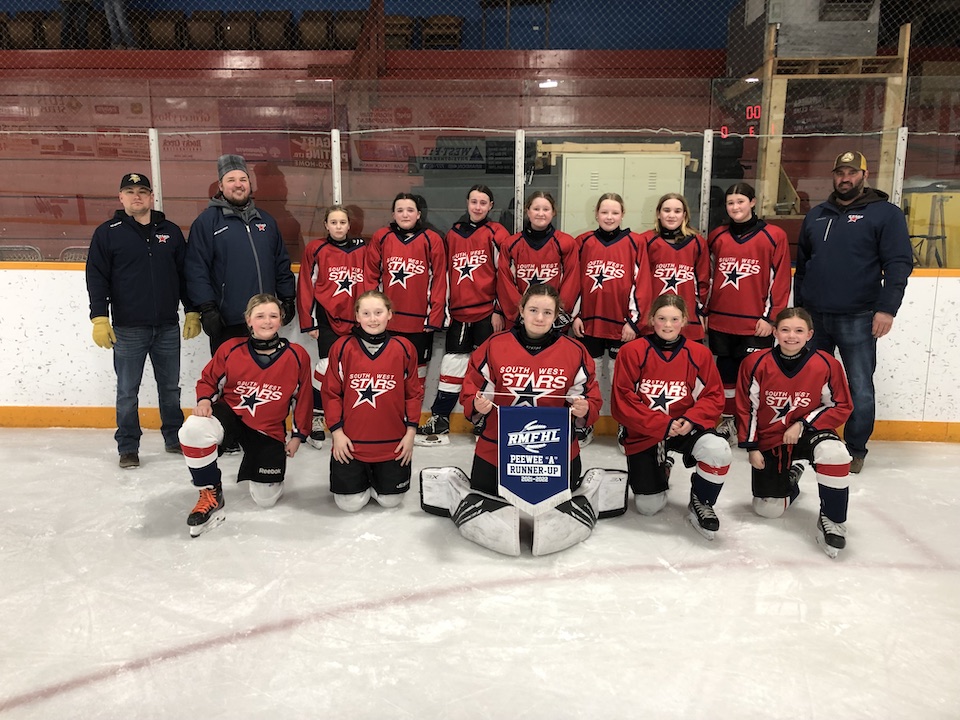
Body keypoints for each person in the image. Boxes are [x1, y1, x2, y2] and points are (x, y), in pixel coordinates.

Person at [419, 284, 609, 557]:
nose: (540, 318)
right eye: (533, 310)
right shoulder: (494, 345)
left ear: (557, 315)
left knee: (556, 496)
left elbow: (591, 399)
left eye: (547, 312)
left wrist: (584, 410)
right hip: (497, 448)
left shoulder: (575, 351)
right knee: (489, 491)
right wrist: (478, 405)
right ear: (521, 310)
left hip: (556, 450)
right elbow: (471, 390)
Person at [794, 151, 913, 474]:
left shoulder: (885, 214)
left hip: (859, 316)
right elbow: (803, 266)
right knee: (810, 382)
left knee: (859, 385)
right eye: (839, 173)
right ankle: (813, 437)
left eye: (851, 172)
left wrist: (887, 308)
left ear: (864, 174)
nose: (844, 178)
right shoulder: (817, 215)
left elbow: (899, 264)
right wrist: (800, 312)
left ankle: (855, 448)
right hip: (815, 317)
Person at [85, 172, 200, 469]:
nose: (136, 196)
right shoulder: (107, 232)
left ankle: (174, 437)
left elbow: (184, 276)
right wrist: (99, 317)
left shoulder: (171, 232)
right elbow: (97, 278)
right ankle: (128, 446)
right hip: (128, 328)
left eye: (142, 191)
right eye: (129, 191)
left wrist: (191, 309)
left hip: (166, 326)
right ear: (120, 198)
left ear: (151, 197)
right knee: (127, 391)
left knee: (170, 388)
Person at [178, 294, 312, 537]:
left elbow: (303, 399)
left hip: (267, 428)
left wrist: (298, 436)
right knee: (193, 429)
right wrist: (205, 399)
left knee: (265, 500)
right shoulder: (230, 348)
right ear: (249, 320)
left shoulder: (297, 355)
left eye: (273, 316)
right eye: (260, 316)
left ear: (281, 320)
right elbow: (208, 379)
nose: (267, 321)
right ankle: (210, 492)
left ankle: (262, 469)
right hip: (231, 417)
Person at [610, 294, 731, 539]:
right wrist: (663, 424)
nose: (667, 325)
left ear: (684, 320)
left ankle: (702, 500)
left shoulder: (699, 354)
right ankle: (662, 465)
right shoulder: (632, 351)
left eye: (674, 319)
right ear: (651, 319)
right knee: (648, 507)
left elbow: (713, 396)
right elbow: (623, 400)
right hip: (646, 430)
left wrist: (691, 419)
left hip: (686, 427)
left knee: (718, 449)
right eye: (662, 318)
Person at [736, 308, 853, 558]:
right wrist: (752, 447)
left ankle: (832, 519)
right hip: (771, 437)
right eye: (785, 330)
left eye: (799, 331)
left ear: (810, 334)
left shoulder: (826, 364)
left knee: (835, 453)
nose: (791, 336)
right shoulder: (755, 363)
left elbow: (841, 405)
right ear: (775, 332)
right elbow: (747, 408)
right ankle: (792, 476)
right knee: (767, 509)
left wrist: (803, 423)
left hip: (808, 433)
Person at [416, 185, 510, 446]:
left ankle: (484, 418)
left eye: (483, 203)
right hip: (459, 313)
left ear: (491, 205)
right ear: (467, 203)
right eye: (473, 202)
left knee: (488, 368)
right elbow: (444, 274)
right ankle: (441, 417)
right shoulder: (454, 233)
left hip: (487, 313)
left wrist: (499, 309)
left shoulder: (497, 233)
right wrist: (444, 310)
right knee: (452, 365)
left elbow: (505, 274)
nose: (478, 207)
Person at [185, 154, 297, 355]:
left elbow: (281, 262)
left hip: (264, 320)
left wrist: (288, 297)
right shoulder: (207, 223)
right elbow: (196, 268)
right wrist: (207, 308)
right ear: (221, 186)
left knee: (266, 380)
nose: (238, 185)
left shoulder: (266, 221)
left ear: (249, 184)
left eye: (243, 179)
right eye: (231, 180)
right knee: (231, 380)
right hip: (229, 321)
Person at [707, 182, 791, 446]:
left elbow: (780, 280)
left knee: (756, 378)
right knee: (727, 376)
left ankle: (755, 426)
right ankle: (731, 423)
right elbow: (707, 277)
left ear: (752, 202)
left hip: (756, 324)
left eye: (740, 202)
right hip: (721, 321)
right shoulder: (717, 236)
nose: (735, 207)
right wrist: (705, 311)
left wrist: (771, 318)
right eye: (731, 203)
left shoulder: (773, 235)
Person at [322, 291, 422, 512]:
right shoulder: (342, 348)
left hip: (392, 443)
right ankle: (363, 479)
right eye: (366, 313)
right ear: (357, 316)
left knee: (391, 501)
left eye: (378, 312)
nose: (373, 319)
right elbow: (331, 394)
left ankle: (377, 481)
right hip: (351, 443)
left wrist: (410, 433)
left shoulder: (404, 348)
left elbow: (413, 393)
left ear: (390, 314)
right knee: (348, 504)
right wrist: (337, 433)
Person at [571, 192, 653, 448]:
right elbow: (574, 281)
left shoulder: (635, 242)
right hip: (590, 323)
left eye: (614, 212)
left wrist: (633, 322)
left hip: (622, 327)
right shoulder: (583, 241)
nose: (609, 217)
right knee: (587, 377)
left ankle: (624, 425)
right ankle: (586, 423)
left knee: (621, 379)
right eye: (604, 212)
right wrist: (575, 315)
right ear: (596, 214)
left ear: (622, 214)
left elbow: (643, 284)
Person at [297, 205, 368, 450]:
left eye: (342, 222)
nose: (338, 226)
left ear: (349, 225)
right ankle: (317, 415)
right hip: (327, 319)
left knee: (353, 369)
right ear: (326, 225)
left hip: (357, 320)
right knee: (326, 367)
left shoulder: (362, 249)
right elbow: (306, 284)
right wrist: (309, 322)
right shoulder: (316, 249)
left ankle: (347, 416)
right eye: (333, 222)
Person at [365, 193, 447, 395]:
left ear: (419, 214)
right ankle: (389, 416)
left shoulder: (432, 239)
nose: (405, 214)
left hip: (419, 323)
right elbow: (370, 277)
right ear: (393, 214)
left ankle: (412, 417)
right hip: (388, 321)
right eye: (400, 210)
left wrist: (435, 316)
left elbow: (439, 280)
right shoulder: (381, 237)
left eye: (410, 210)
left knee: (417, 373)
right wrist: (372, 315)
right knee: (387, 372)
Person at [497, 191, 580, 323]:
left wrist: (558, 313)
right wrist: (520, 314)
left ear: (553, 212)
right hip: (520, 321)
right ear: (527, 211)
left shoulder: (566, 243)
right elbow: (504, 282)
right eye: (536, 209)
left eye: (546, 209)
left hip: (553, 320)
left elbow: (571, 281)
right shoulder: (510, 244)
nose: (540, 214)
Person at [637, 192, 710, 342]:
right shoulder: (645, 240)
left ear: (684, 215)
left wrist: (701, 312)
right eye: (666, 210)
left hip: (687, 318)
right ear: (658, 213)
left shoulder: (697, 242)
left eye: (677, 211)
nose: (671, 215)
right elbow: (638, 282)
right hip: (653, 318)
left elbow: (703, 281)